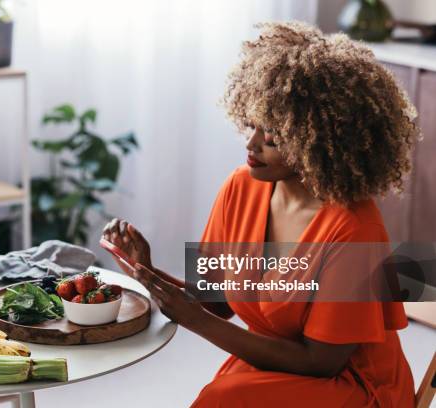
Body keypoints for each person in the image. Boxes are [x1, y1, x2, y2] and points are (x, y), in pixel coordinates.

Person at [102, 22, 418, 407]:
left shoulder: (355, 228)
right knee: (222, 398)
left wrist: (194, 321)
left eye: (272, 133)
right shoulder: (241, 186)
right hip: (277, 366)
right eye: (252, 123)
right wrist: (147, 270)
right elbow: (214, 299)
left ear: (318, 139)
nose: (251, 143)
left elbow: (322, 362)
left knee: (222, 399)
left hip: (354, 386)